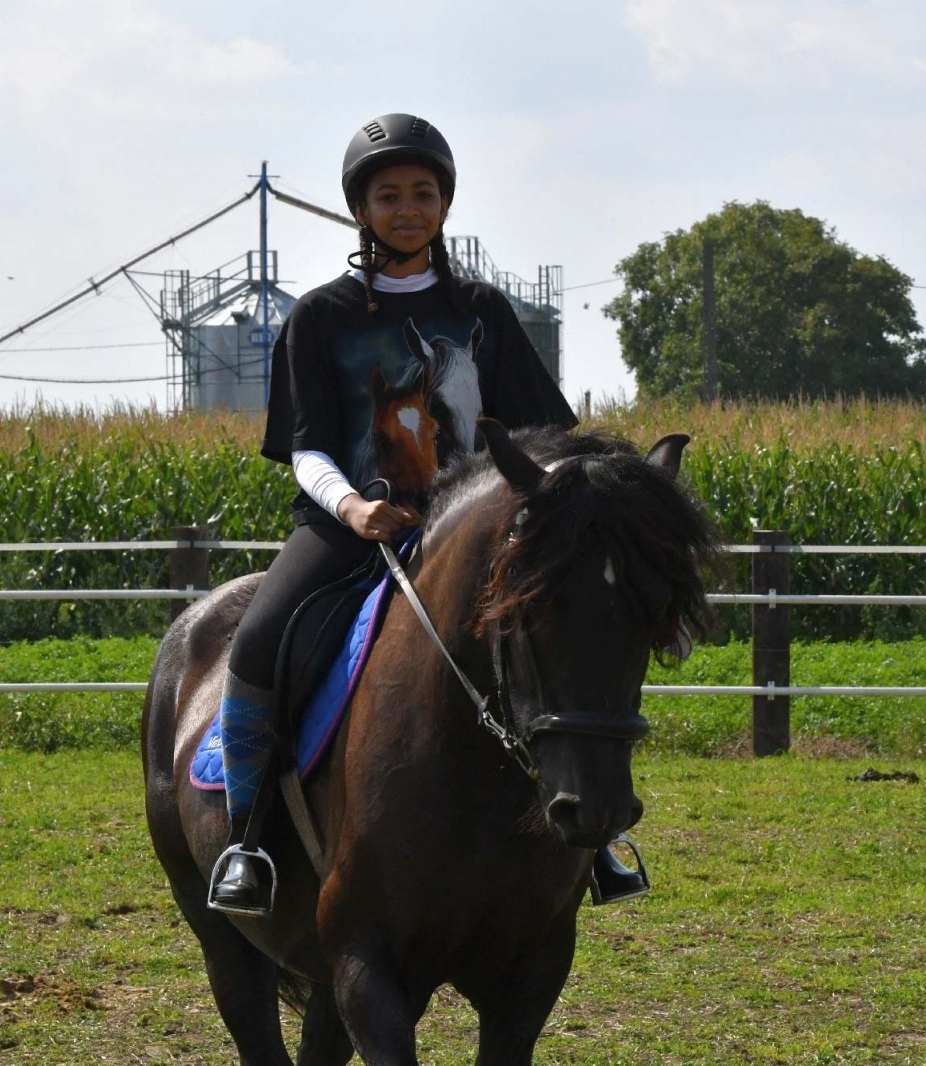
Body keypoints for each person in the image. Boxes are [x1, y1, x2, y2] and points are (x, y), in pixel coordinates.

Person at [207, 113, 648, 917]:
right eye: (388, 196)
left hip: (475, 533)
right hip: (349, 527)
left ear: (444, 203)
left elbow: (543, 436)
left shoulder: (484, 310)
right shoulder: (319, 316)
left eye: (423, 193)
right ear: (361, 209)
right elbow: (307, 446)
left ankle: (597, 838)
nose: (407, 209)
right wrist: (353, 505)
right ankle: (250, 838)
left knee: (574, 635)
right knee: (262, 639)